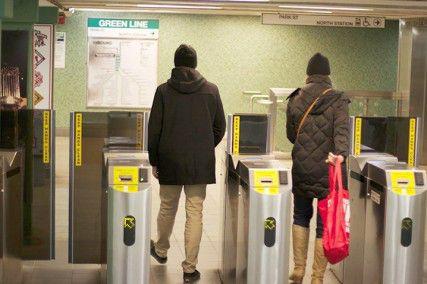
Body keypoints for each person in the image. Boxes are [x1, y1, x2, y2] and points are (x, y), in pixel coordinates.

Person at [148, 44, 226, 283]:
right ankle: (189, 268)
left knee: (167, 207)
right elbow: (219, 127)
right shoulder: (211, 90)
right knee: (195, 212)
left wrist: (155, 160)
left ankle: (161, 250)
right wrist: (202, 146)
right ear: (195, 64)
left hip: (169, 160)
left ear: (175, 63)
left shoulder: (163, 91)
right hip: (198, 163)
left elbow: (154, 130)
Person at [286, 53, 350, 284]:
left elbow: (291, 135)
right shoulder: (339, 100)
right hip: (328, 170)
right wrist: (341, 154)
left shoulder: (295, 98)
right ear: (328, 74)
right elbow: (342, 133)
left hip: (302, 167)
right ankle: (317, 277)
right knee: (325, 224)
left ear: (308, 74)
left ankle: (298, 269)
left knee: (300, 215)